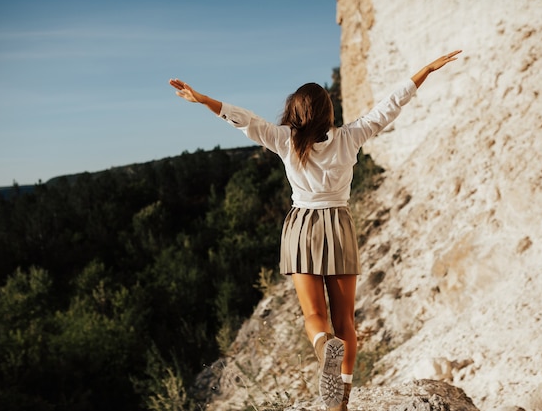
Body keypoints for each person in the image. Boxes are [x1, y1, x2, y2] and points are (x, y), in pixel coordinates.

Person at [169, 49, 461, 410]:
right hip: (338, 224)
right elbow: (389, 106)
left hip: (302, 227)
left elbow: (244, 120)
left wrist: (203, 100)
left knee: (314, 317)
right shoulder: (350, 137)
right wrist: (425, 71)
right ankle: (341, 401)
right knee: (346, 321)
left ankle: (324, 348)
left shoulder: (285, 141)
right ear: (328, 111)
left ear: (294, 111)